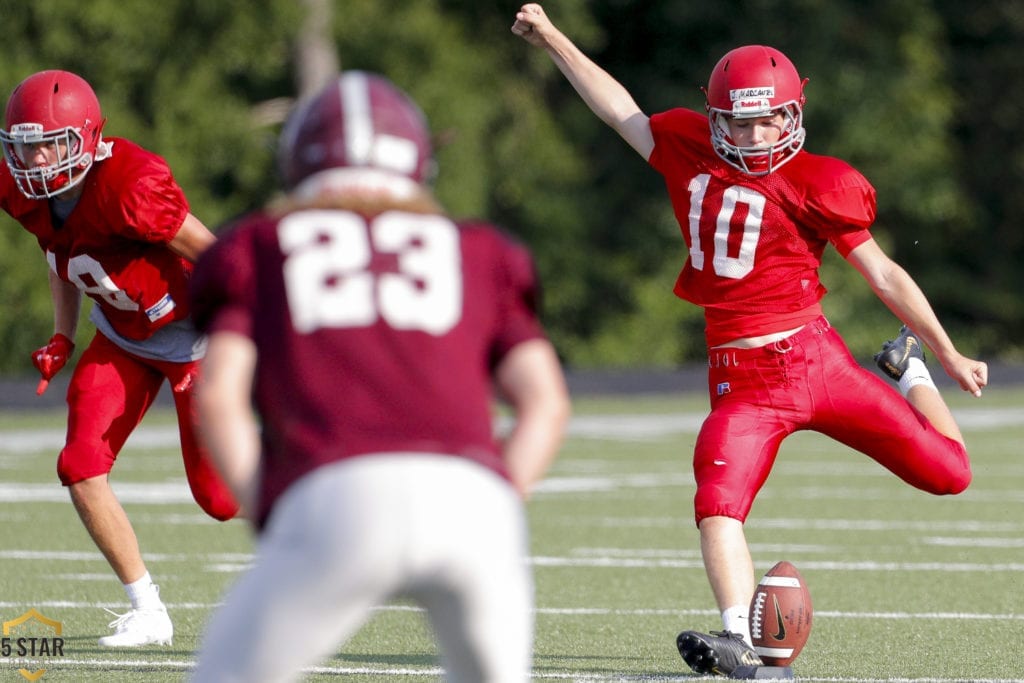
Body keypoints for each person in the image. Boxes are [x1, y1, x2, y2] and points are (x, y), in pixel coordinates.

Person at [512, 4, 987, 676]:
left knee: (952, 474)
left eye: (770, 116)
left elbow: (882, 270)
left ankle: (908, 371)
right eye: (740, 118)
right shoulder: (686, 147)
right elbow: (618, 110)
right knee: (716, 499)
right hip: (745, 380)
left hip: (816, 359)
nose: (757, 131)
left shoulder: (818, 182)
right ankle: (740, 637)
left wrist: (944, 351)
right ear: (715, 117)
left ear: (795, 114)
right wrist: (555, 37)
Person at [188, 70, 570, 683]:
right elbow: (545, 402)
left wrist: (266, 502)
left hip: (335, 491)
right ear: (419, 164)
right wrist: (499, 492)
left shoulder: (258, 244)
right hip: (473, 503)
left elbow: (219, 393)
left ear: (297, 165)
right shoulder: (478, 249)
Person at [0, 70, 239, 647]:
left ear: (84, 138)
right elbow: (59, 256)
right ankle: (148, 610)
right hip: (122, 337)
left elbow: (218, 259)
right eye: (22, 143)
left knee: (220, 501)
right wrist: (63, 335)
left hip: (192, 343)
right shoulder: (24, 193)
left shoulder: (129, 186)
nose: (32, 158)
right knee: (79, 464)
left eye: (46, 143)